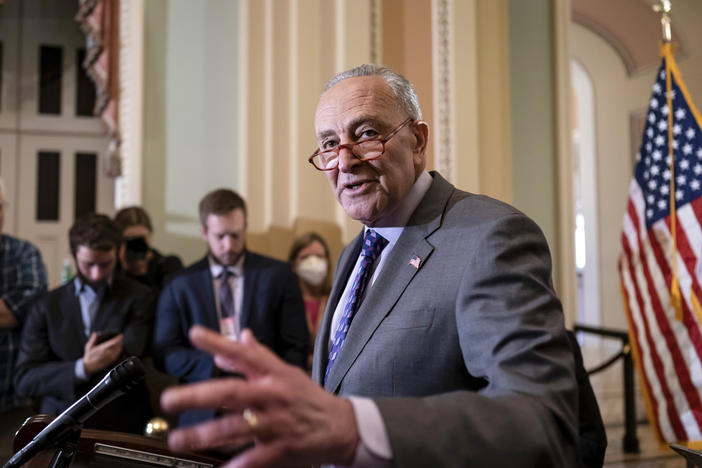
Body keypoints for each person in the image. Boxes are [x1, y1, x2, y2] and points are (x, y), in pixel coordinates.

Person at [160, 65, 581, 467]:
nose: (344, 162)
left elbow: (542, 421)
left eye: (365, 135)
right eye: (328, 144)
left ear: (417, 140)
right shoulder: (354, 253)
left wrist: (359, 429)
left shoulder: (490, 236)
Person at [153, 189, 309, 427]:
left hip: (266, 407)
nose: (229, 246)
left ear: (245, 227)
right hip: (201, 410)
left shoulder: (278, 276)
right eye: (220, 236)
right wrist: (214, 362)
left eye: (236, 235)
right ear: (204, 232)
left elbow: (296, 346)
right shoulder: (179, 284)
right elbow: (164, 353)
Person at [14, 213, 155, 434]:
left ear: (119, 252)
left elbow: (133, 360)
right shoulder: (46, 305)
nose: (97, 274)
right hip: (58, 426)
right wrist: (82, 367)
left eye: (105, 264)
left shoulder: (141, 297)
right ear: (74, 255)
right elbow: (25, 379)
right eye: (88, 264)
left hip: (121, 425)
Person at [0, 180, 48, 412]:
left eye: (0, 207)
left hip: (14, 400)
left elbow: (29, 305)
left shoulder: (24, 253)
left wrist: (12, 312)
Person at [114, 206, 184, 291]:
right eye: (131, 239)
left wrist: (142, 273)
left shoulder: (167, 265)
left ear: (150, 235)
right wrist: (121, 269)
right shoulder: (111, 267)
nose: (137, 244)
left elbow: (170, 300)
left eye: (141, 239)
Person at [288, 232, 331, 366]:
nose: (313, 263)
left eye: (319, 257)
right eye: (305, 257)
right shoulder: (286, 303)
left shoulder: (336, 300)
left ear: (328, 263)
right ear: (294, 264)